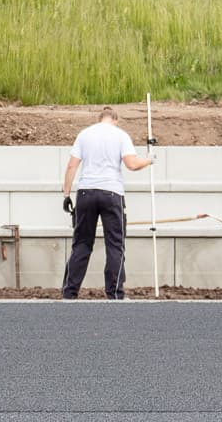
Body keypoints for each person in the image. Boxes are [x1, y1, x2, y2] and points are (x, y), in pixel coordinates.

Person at [60, 108, 155, 300]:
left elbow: (72, 165)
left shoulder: (85, 134)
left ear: (99, 119)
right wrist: (149, 160)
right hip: (112, 193)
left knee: (81, 244)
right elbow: (132, 164)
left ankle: (69, 293)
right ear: (116, 120)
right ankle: (115, 293)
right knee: (115, 245)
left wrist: (67, 194)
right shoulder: (120, 135)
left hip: (86, 192)